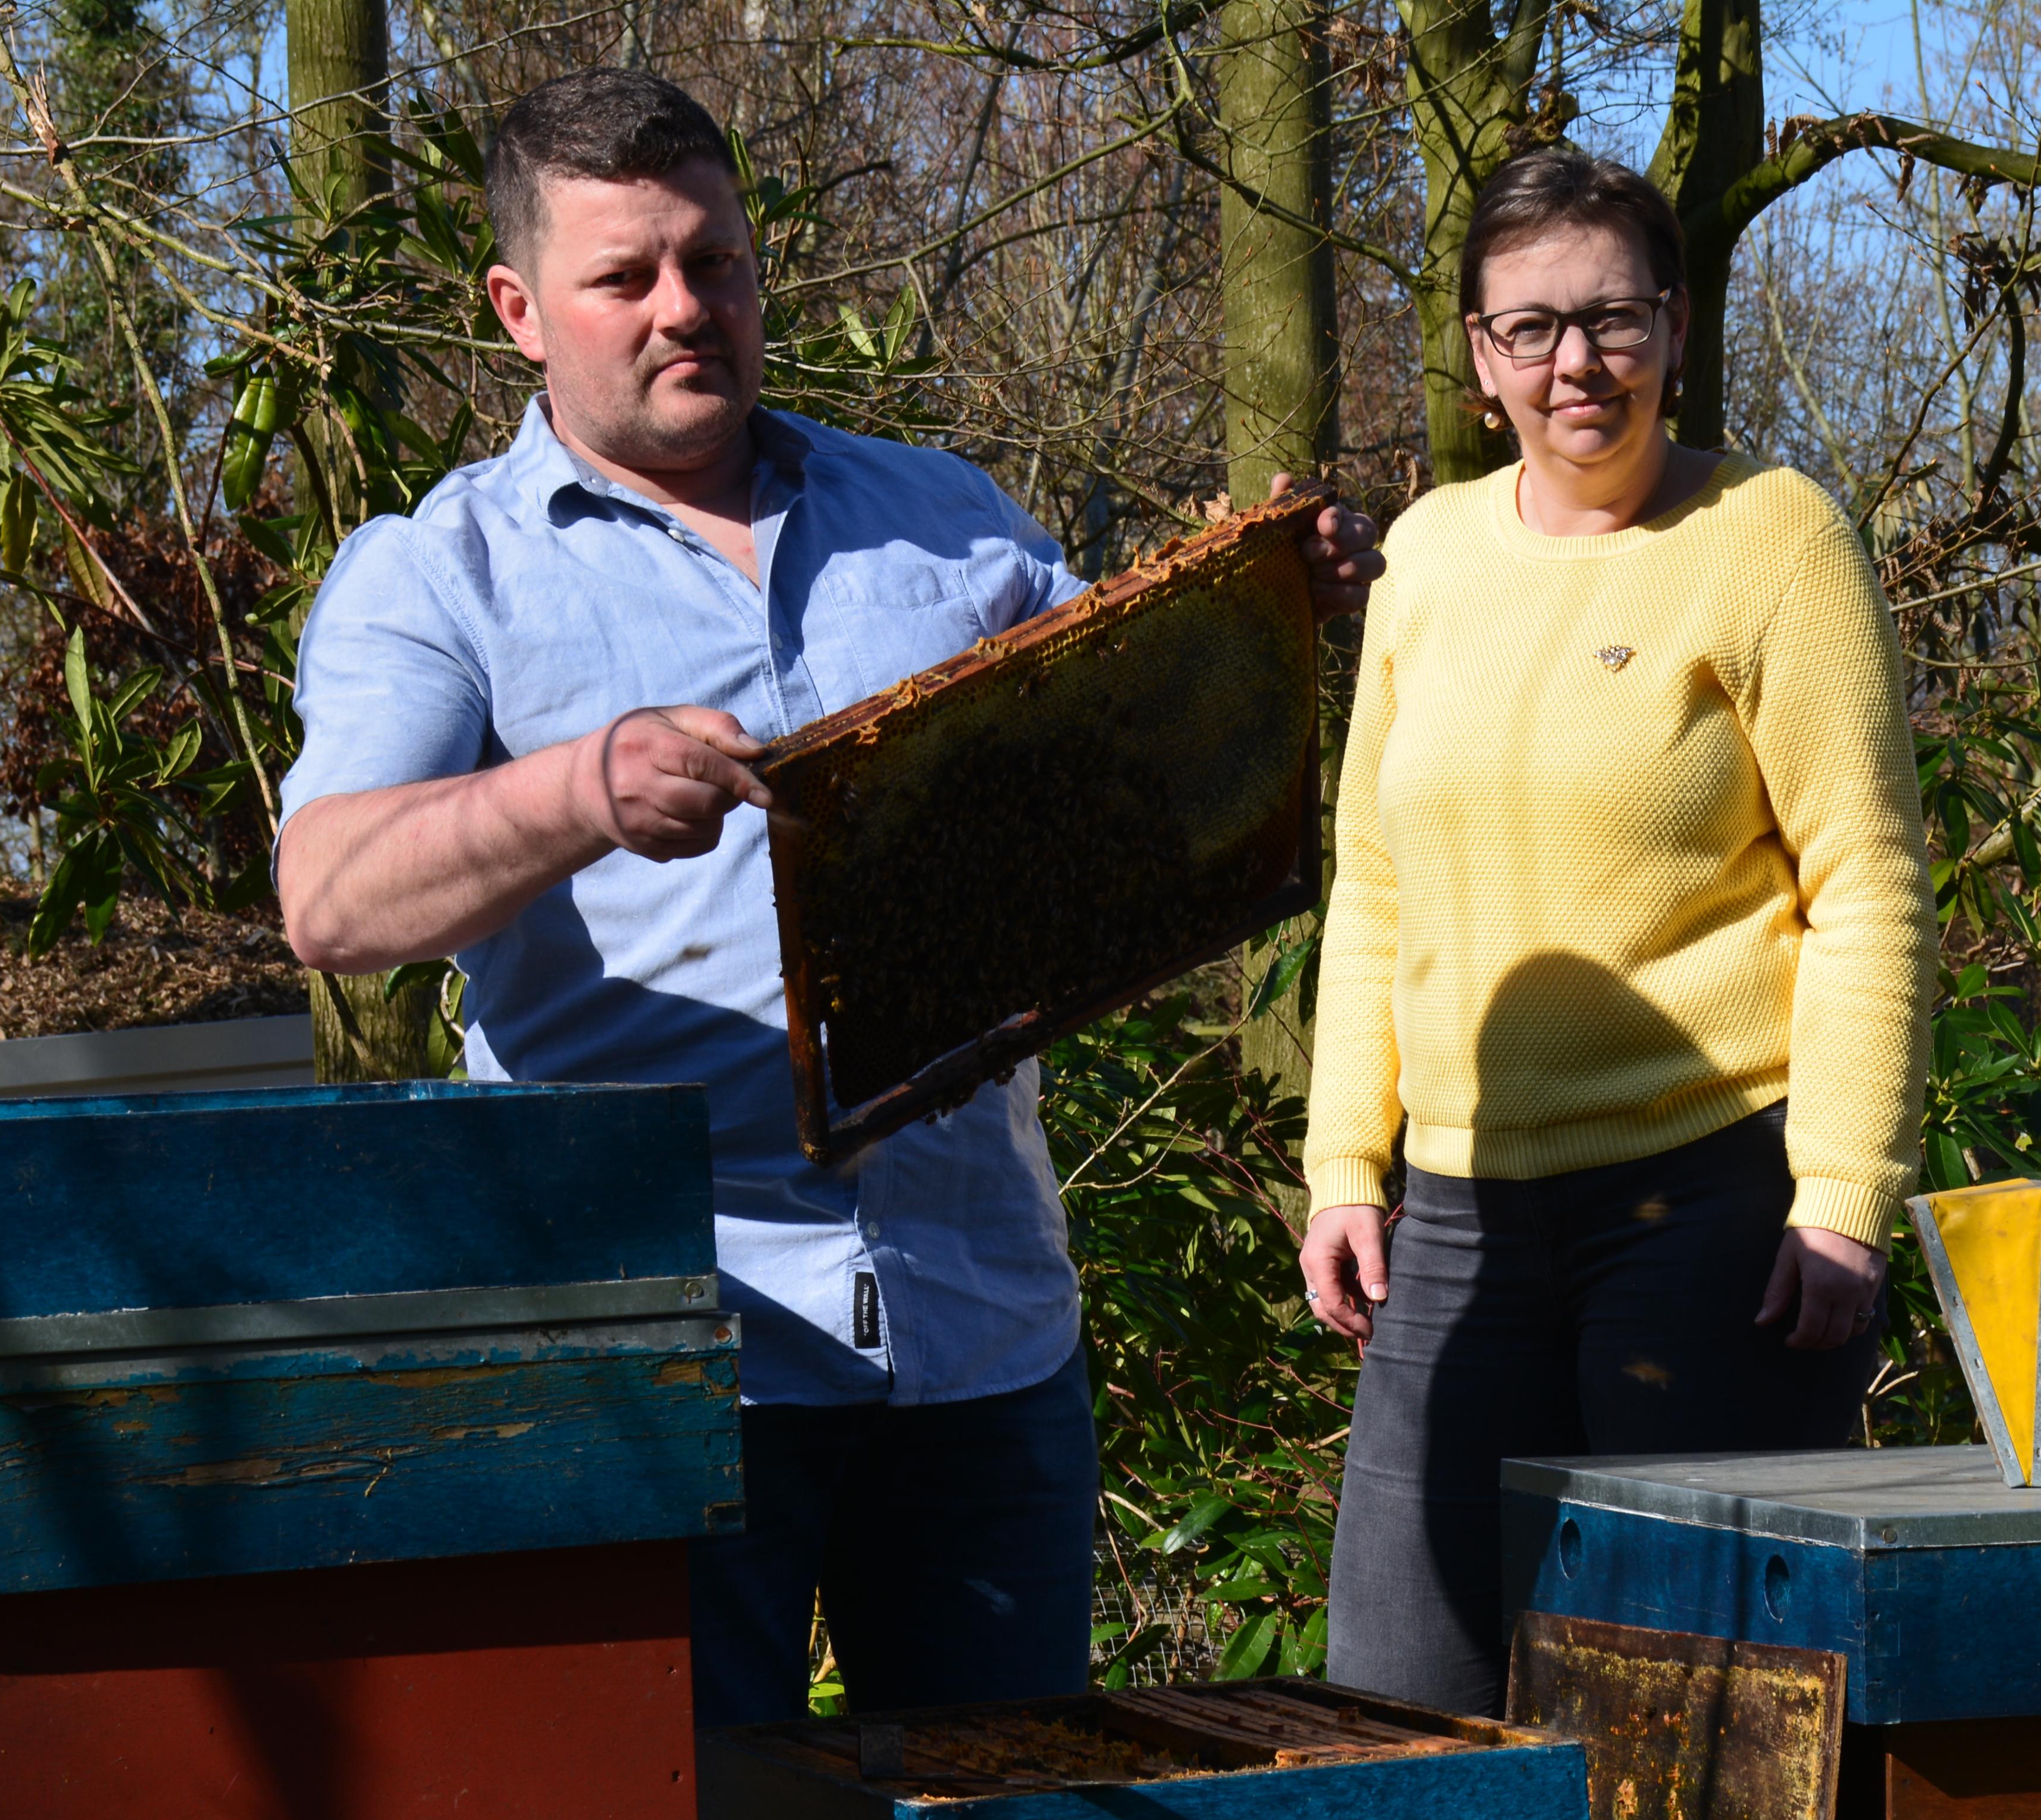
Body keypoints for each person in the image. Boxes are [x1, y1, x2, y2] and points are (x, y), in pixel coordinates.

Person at [274, 68, 1380, 1725]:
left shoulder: (942, 520)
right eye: (624, 277)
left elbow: (1133, 757)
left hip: (985, 1335)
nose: (683, 308)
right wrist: (580, 789)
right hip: (670, 1358)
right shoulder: (440, 574)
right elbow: (333, 896)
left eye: (713, 261)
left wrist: (1261, 608)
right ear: (519, 309)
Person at [1295, 149, 1933, 1715]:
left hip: (1709, 1208)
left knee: (1706, 1716)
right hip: (1451, 1221)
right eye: (1531, 328)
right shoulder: (1428, 559)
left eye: (1611, 319)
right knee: (1401, 1692)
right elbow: (1373, 882)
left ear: (1677, 325)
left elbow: (1867, 882)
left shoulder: (1774, 538)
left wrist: (1843, 1195)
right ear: (1478, 356)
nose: (1575, 362)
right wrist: (1343, 1168)